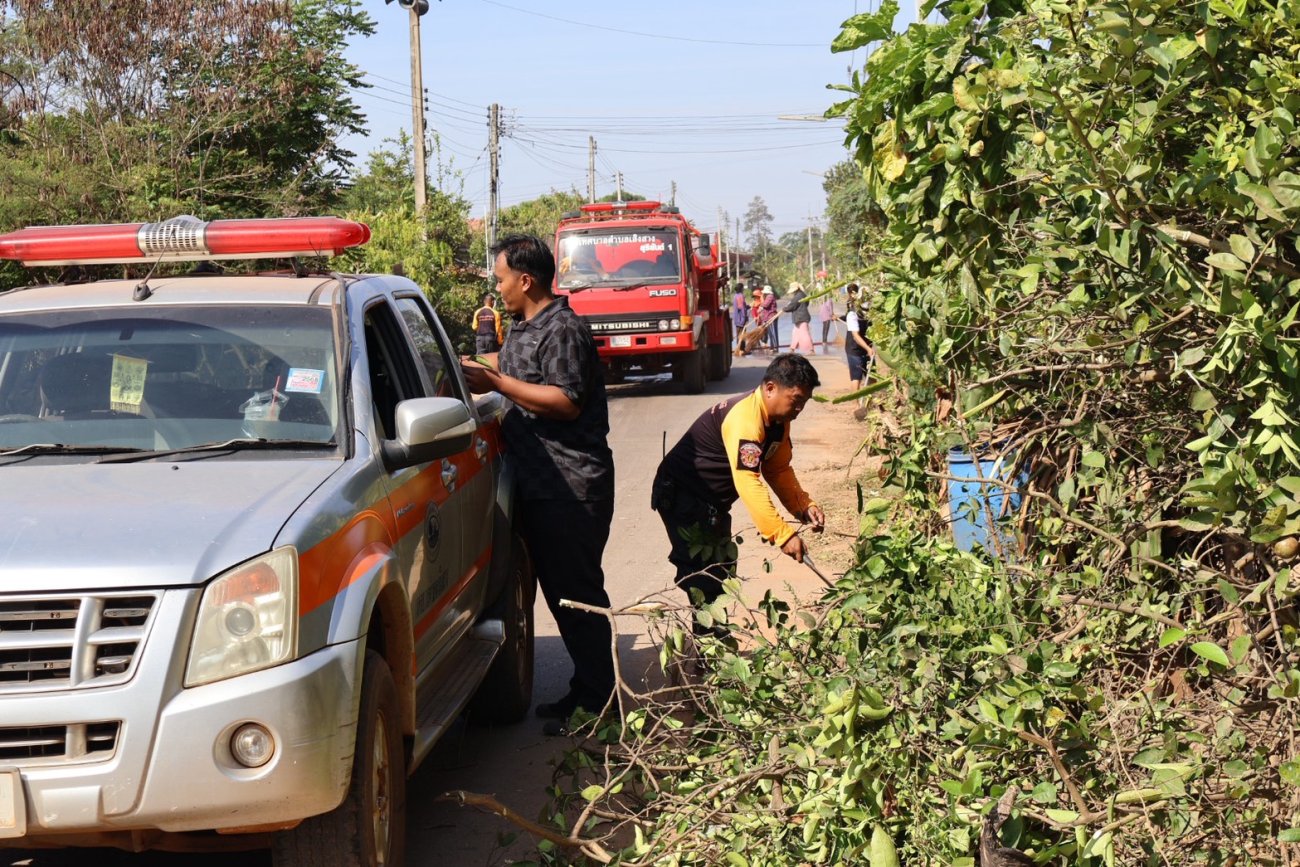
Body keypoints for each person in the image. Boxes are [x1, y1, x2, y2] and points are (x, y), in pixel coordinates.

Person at [460, 233, 616, 735]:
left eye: (501, 279)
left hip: (570, 485)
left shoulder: (564, 329)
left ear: (526, 280)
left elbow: (566, 400)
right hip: (541, 481)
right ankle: (586, 688)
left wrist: (499, 385)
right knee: (560, 594)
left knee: (577, 593)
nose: (497, 287)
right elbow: (509, 367)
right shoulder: (527, 326)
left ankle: (601, 703)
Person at [652, 353, 826, 617]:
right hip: (682, 495)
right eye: (796, 400)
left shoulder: (779, 421)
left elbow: (777, 468)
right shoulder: (746, 418)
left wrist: (803, 506)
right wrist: (782, 534)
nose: (799, 409)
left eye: (804, 402)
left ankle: (713, 644)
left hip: (711, 503)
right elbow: (747, 479)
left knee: (721, 571)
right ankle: (706, 652)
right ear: (770, 388)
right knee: (703, 578)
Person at [843, 284, 874, 414]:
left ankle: (872, 402)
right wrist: (868, 348)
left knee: (872, 376)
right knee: (857, 377)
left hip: (868, 347)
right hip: (854, 348)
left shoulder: (870, 311)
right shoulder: (852, 314)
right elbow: (855, 336)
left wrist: (870, 347)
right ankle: (856, 405)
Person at [784, 281, 813, 354]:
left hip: (801, 317)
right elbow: (806, 303)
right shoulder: (802, 294)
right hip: (800, 316)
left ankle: (811, 350)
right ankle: (792, 348)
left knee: (804, 334)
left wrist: (785, 309)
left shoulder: (798, 296)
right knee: (795, 333)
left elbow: (792, 306)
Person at [758, 286, 780, 352]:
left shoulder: (770, 296)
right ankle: (773, 346)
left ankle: (775, 347)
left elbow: (765, 304)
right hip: (768, 317)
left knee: (773, 333)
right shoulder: (767, 296)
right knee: (771, 333)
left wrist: (761, 306)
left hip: (771, 317)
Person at [731, 285, 749, 349]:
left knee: (739, 334)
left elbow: (741, 306)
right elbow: (742, 309)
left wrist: (747, 306)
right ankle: (741, 349)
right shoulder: (741, 296)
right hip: (741, 319)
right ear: (741, 289)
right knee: (742, 335)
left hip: (737, 319)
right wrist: (744, 319)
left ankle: (739, 348)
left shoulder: (735, 296)